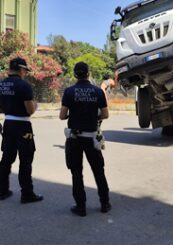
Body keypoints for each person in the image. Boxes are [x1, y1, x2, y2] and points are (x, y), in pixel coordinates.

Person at [59, 62, 111, 217]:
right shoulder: (98, 91)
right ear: (88, 73)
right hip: (91, 138)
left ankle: (80, 207)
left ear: (75, 75)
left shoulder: (69, 92)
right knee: (98, 171)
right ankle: (105, 203)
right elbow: (105, 114)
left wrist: (71, 115)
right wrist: (94, 118)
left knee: (76, 172)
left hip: (74, 138)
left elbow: (62, 115)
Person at [0, 57, 43, 203]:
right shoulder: (24, 86)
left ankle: (3, 191)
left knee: (6, 159)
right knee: (26, 160)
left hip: (8, 124)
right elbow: (29, 110)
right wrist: (35, 105)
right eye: (25, 70)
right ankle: (27, 194)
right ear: (21, 69)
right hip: (23, 126)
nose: (26, 73)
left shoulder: (0, 85)